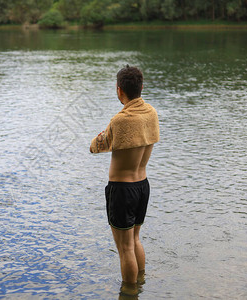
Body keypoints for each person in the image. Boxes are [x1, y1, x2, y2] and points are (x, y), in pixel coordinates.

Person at [89, 65, 160, 293]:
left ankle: (129, 293)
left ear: (120, 91)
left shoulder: (120, 121)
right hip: (142, 187)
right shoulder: (150, 113)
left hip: (122, 190)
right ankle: (140, 282)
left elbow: (95, 147)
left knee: (125, 248)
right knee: (135, 239)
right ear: (141, 87)